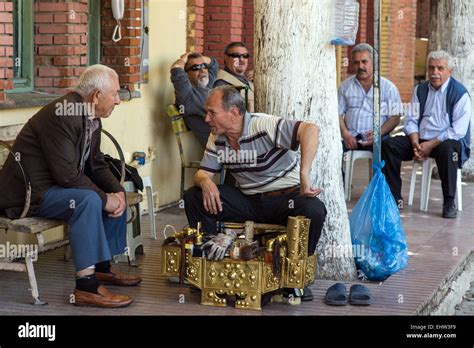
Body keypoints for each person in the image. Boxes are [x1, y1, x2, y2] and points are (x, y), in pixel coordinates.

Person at [0, 65, 141, 308]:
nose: (118, 100)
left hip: (52, 189)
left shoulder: (89, 116)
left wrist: (116, 192)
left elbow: (95, 164)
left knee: (116, 192)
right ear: (96, 96)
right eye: (116, 93)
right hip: (29, 195)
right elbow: (67, 174)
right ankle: (86, 288)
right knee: (89, 200)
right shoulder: (62, 114)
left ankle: (101, 268)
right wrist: (105, 198)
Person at [183, 86, 327, 301]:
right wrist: (205, 182)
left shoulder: (263, 124)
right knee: (193, 196)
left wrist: (304, 174)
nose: (206, 118)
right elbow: (202, 173)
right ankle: (209, 263)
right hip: (249, 202)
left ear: (233, 112)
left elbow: (310, 130)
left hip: (284, 200)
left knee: (314, 209)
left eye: (212, 112)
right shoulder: (217, 138)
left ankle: (296, 279)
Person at [382, 50, 471, 218]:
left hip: (446, 141)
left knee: (449, 152)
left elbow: (457, 130)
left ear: (449, 71)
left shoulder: (460, 94)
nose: (435, 72)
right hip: (420, 139)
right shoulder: (420, 90)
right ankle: (393, 199)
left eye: (440, 68)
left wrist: (430, 145)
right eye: (431, 68)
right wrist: (415, 142)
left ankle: (449, 202)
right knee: (389, 145)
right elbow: (411, 119)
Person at [338, 43, 401, 152]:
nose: (360, 66)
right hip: (351, 138)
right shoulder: (345, 86)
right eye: (356, 63)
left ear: (374, 63)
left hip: (379, 137)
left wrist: (378, 133)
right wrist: (345, 134)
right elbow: (337, 114)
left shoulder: (388, 88)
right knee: (332, 149)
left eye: (364, 62)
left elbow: (395, 117)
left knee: (390, 148)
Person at [170, 52, 219, 147]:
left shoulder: (207, 85)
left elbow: (213, 64)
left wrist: (196, 56)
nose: (202, 70)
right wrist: (184, 59)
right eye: (195, 68)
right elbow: (176, 69)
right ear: (187, 74)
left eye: (204, 66)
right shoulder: (187, 94)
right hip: (220, 147)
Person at [214, 42, 255, 112]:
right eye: (236, 55)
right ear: (226, 58)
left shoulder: (248, 80)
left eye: (245, 56)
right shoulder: (222, 83)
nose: (241, 59)